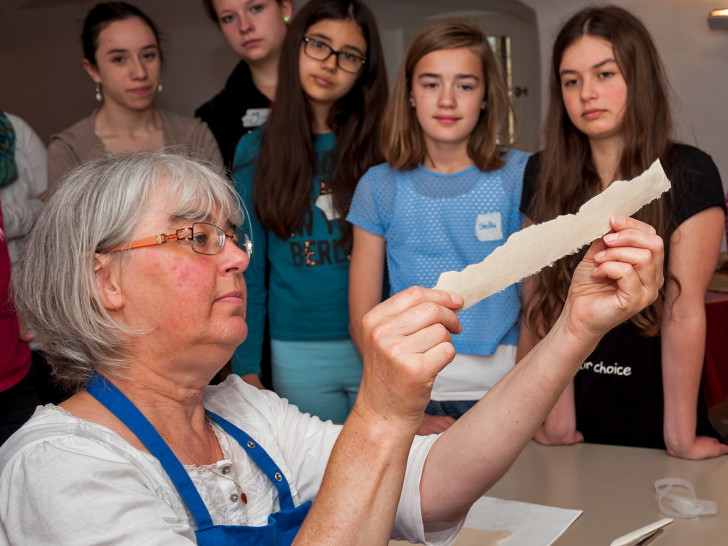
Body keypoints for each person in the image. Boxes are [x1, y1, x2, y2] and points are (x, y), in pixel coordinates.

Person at [0, 151, 663, 543]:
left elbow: (429, 483)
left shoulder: (242, 413)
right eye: (196, 238)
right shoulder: (60, 469)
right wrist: (380, 412)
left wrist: (574, 329)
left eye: (233, 236)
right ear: (105, 279)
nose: (236, 257)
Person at [518, 6, 728, 459]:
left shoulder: (690, 172)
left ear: (641, 77)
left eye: (605, 73)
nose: (587, 93)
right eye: (571, 80)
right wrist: (551, 415)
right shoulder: (542, 173)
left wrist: (681, 436)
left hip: (656, 419)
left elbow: (684, 308)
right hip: (569, 426)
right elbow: (538, 301)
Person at [347, 20, 527, 435]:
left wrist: (523, 397)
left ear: (486, 97)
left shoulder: (520, 174)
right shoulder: (379, 185)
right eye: (431, 84)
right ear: (410, 94)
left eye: (465, 85)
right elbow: (362, 313)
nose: (447, 100)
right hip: (414, 390)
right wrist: (402, 402)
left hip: (504, 388)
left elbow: (539, 303)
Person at [232, 0, 388, 422]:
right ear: (295, 46)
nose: (331, 64)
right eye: (319, 45)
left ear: (365, 71)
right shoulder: (254, 151)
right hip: (295, 350)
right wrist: (244, 368)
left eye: (349, 55)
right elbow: (249, 269)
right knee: (318, 483)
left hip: (380, 347)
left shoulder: (386, 149)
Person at [47, 1, 222, 190]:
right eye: (119, 59)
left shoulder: (194, 136)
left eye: (148, 55)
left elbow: (218, 214)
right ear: (93, 70)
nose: (140, 73)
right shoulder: (68, 149)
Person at [196, 0, 293, 169]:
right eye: (228, 18)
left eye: (256, 8)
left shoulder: (336, 85)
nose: (244, 26)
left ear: (285, 8)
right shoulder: (213, 118)